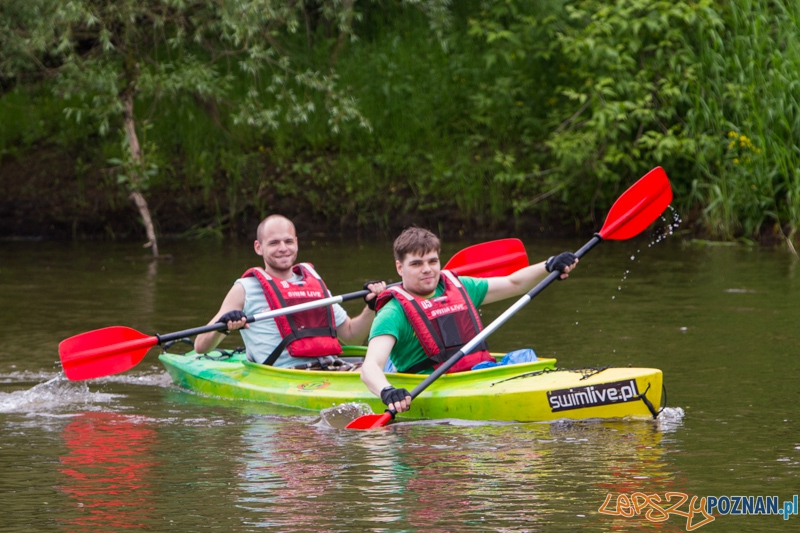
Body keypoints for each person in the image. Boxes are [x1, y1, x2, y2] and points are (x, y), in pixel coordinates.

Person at [360, 227, 578, 413]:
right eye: (416, 264)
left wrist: (548, 266)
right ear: (400, 267)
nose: (427, 269)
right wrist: (388, 392)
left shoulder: (461, 286)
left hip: (480, 373)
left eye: (433, 261)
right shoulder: (392, 313)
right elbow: (370, 368)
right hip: (433, 387)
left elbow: (514, 284)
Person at [194, 215, 385, 369]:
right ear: (258, 247)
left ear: (296, 243)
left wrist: (371, 306)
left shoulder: (314, 284)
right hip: (286, 375)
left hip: (332, 367)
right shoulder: (244, 289)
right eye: (274, 243)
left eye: (288, 241)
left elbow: (352, 335)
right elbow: (201, 346)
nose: (283, 248)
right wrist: (225, 325)